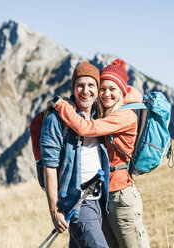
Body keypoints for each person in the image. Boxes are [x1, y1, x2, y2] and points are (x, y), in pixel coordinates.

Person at [53, 58, 150, 248]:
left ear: (122, 90)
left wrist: (62, 105)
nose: (106, 94)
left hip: (121, 194)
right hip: (106, 195)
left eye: (112, 89)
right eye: (103, 89)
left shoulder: (124, 116)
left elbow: (86, 128)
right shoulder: (108, 112)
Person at [40, 61, 110, 248]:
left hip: (100, 201)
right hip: (78, 203)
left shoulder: (100, 115)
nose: (85, 91)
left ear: (97, 88)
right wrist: (55, 210)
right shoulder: (57, 119)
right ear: (73, 87)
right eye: (80, 85)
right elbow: (50, 167)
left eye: (91, 85)